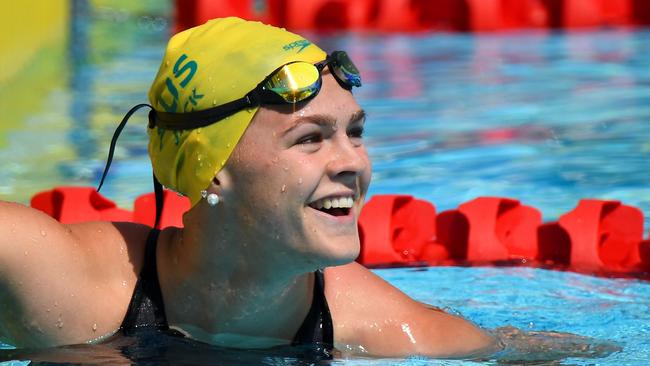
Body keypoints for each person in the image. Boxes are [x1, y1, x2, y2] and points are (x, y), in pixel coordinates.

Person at [0, 18, 619, 363]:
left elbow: (564, 352)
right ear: (212, 168)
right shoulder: (67, 280)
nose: (354, 163)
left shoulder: (376, 326)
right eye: (310, 139)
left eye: (354, 132)